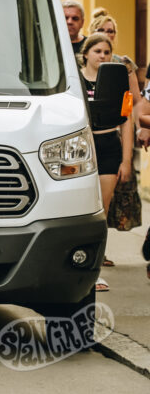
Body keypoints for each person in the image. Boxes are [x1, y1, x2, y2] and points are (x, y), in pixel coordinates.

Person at [79, 33, 131, 293]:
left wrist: (126, 160)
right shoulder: (74, 79)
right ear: (86, 53)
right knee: (80, 209)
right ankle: (79, 266)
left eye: (107, 52)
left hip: (109, 145)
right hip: (82, 146)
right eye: (97, 51)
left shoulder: (117, 81)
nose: (102, 56)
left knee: (102, 210)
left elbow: (127, 119)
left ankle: (96, 271)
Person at [89, 10, 143, 236]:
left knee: (110, 199)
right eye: (101, 30)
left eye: (110, 31)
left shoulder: (123, 64)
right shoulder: (80, 66)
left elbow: (133, 104)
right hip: (89, 140)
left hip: (114, 136)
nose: (107, 34)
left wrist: (140, 130)